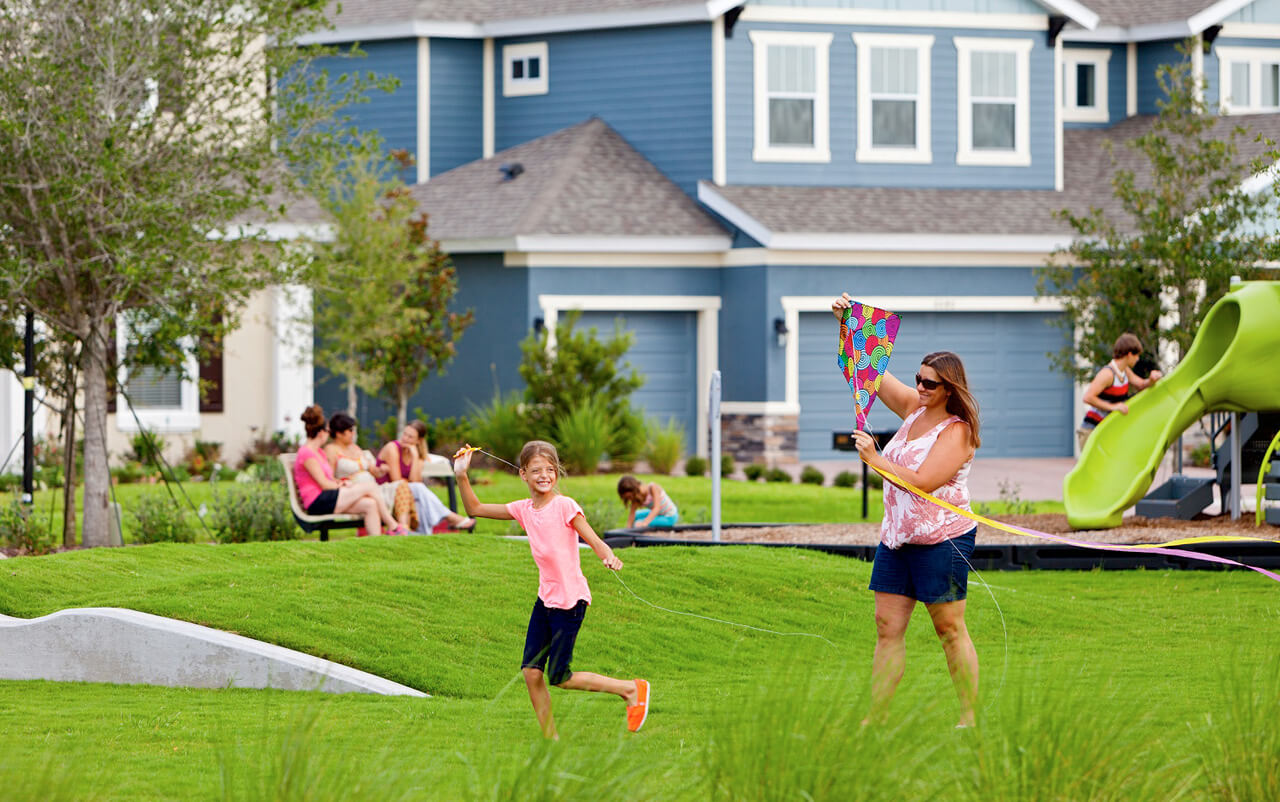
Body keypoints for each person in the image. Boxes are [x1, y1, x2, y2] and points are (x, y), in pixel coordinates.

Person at [832, 292, 982, 729]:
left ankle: (969, 717)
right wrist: (848, 324)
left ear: (949, 389)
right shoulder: (915, 408)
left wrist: (875, 460)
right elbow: (865, 373)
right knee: (885, 626)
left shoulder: (958, 431)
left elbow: (923, 482)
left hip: (943, 539)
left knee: (949, 629)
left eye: (929, 383)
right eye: (918, 378)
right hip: (897, 537)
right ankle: (875, 719)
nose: (919, 387)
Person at [454, 440, 650, 739]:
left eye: (549, 469)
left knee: (560, 676)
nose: (544, 475)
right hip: (546, 600)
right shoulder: (523, 509)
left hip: (570, 602)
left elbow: (593, 538)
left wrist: (607, 555)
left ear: (557, 473)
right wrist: (461, 476)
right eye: (536, 470)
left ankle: (629, 689)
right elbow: (475, 508)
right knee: (531, 672)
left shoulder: (564, 505)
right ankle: (551, 741)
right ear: (523, 474)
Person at [294, 405, 406, 536]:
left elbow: (329, 479)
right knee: (370, 487)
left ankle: (377, 543)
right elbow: (324, 484)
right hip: (317, 501)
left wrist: (342, 482)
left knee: (370, 504)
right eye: (327, 432)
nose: (328, 435)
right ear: (321, 433)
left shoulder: (318, 452)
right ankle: (393, 526)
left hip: (328, 497)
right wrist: (341, 485)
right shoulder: (307, 453)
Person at [323, 413, 418, 533]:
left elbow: (374, 471)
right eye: (350, 430)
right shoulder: (331, 450)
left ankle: (404, 527)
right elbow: (329, 477)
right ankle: (394, 527)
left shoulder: (355, 448)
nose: (353, 433)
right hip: (352, 493)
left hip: (373, 489)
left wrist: (381, 471)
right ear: (338, 433)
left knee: (402, 485)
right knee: (371, 498)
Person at [378, 422, 474, 533]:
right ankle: (450, 517)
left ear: (418, 440)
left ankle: (421, 536)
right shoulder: (392, 448)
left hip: (405, 495)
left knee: (420, 501)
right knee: (418, 490)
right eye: (404, 434)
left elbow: (415, 481)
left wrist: (414, 457)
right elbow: (397, 481)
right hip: (384, 492)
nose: (405, 438)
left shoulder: (417, 454)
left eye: (410, 437)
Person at [1077, 333, 1163, 452]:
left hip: (1105, 430)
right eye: (1136, 355)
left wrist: (1152, 379)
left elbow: (1141, 385)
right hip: (1091, 431)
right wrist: (1113, 407)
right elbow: (1087, 397)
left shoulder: (1125, 371)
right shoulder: (1107, 374)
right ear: (1129, 354)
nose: (1137, 359)